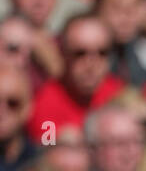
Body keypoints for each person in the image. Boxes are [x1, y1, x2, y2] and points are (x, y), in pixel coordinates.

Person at [27, 14, 123, 143]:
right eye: (80, 53)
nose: (91, 64)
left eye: (102, 53)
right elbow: (47, 152)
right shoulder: (44, 105)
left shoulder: (120, 95)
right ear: (64, 54)